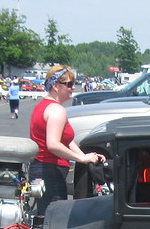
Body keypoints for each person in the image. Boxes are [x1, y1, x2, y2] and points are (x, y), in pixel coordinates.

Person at [28, 65, 106, 216]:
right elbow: (53, 144)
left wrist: (88, 157)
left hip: (44, 169)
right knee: (53, 219)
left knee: (47, 216)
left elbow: (66, 141)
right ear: (56, 86)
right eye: (69, 84)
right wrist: (82, 159)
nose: (73, 88)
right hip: (50, 171)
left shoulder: (43, 106)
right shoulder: (56, 111)